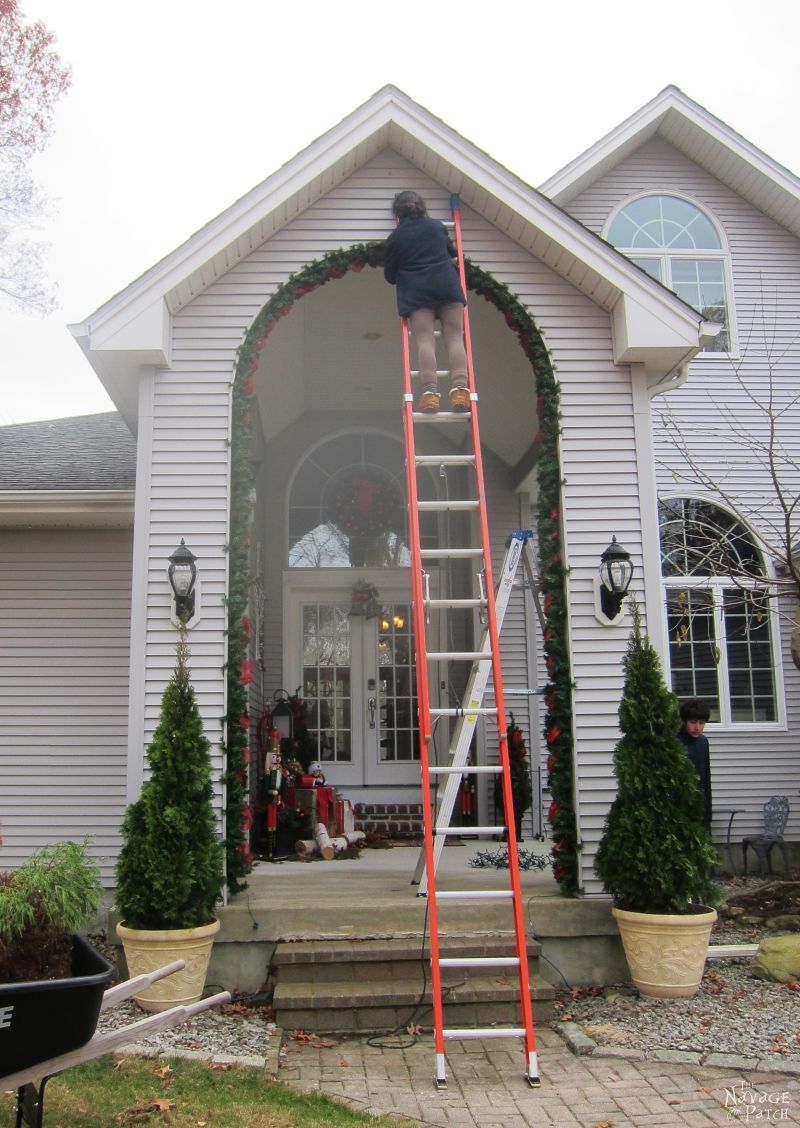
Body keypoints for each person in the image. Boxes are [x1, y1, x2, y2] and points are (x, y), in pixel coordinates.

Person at [384, 190, 469, 413]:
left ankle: (430, 394)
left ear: (397, 213)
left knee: (425, 340)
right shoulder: (436, 226)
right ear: (422, 207)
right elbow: (452, 252)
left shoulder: (396, 238)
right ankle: (461, 389)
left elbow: (390, 276)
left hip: (417, 293)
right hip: (447, 286)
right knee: (454, 337)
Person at [678, 698, 713, 830]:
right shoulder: (675, 742)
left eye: (701, 723)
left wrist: (708, 816)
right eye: (693, 722)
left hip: (699, 808)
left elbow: (706, 779)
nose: (697, 727)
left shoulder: (703, 742)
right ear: (684, 722)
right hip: (679, 809)